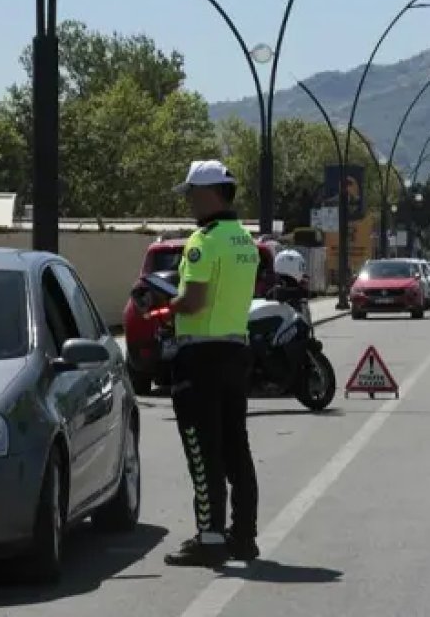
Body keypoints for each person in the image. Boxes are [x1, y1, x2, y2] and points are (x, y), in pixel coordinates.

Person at [164, 160, 262, 568]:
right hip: (234, 351)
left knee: (203, 451)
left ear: (208, 194)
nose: (188, 202)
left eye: (190, 194)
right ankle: (243, 536)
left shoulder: (203, 241)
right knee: (235, 446)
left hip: (199, 355)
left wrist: (166, 305)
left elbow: (194, 300)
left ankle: (209, 538)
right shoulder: (245, 240)